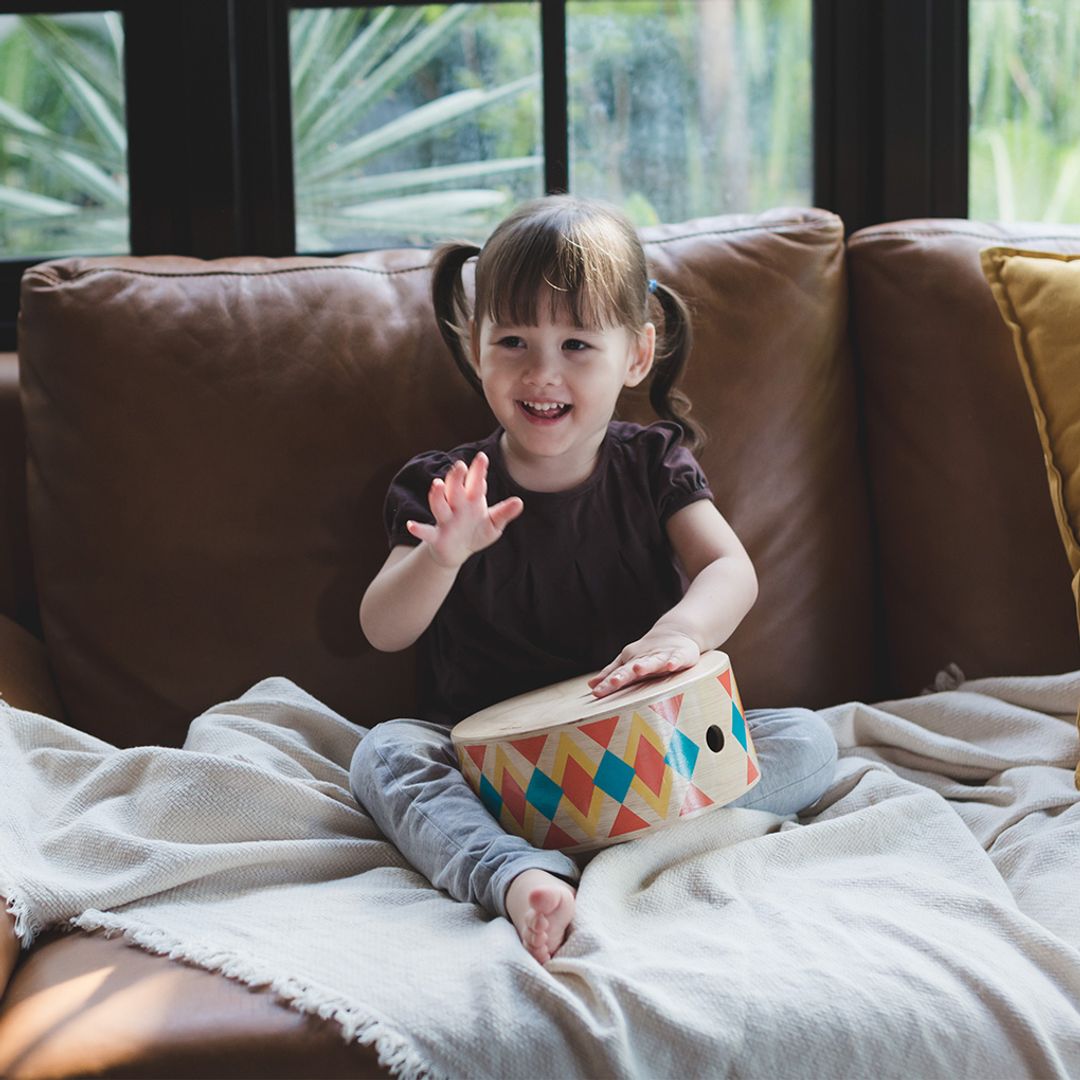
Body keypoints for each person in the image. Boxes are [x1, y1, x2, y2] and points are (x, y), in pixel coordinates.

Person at [352, 195, 838, 965]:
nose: (542, 372)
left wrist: (680, 633)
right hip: (492, 773)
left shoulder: (652, 465)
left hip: (643, 752)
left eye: (578, 343)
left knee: (809, 739)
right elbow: (383, 627)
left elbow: (729, 568)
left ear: (637, 355)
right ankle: (516, 871)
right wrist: (442, 554)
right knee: (385, 755)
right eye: (512, 340)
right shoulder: (443, 486)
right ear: (476, 347)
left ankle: (615, 852)